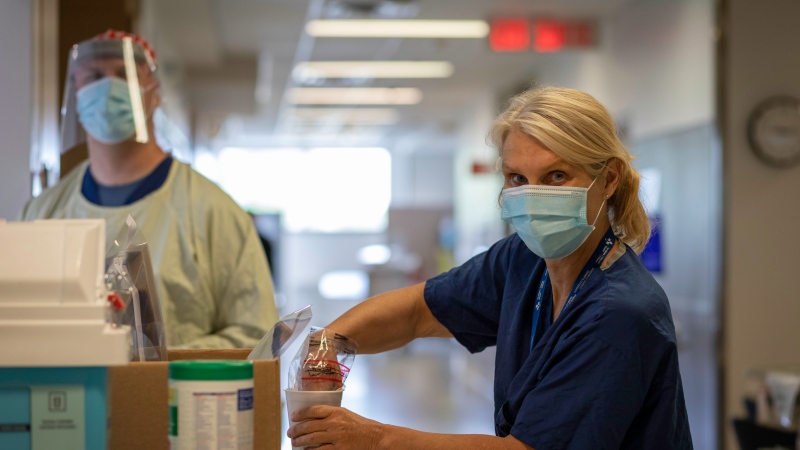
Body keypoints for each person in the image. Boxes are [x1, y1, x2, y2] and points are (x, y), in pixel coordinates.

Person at [287, 86, 693, 449]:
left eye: (556, 175)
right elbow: (419, 310)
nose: (534, 196)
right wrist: (329, 344)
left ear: (608, 179)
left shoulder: (618, 314)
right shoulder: (523, 260)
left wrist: (375, 439)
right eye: (517, 177)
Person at [20, 30, 278, 348]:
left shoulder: (212, 212)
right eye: (94, 76)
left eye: (124, 75)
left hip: (173, 397)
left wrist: (154, 369)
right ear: (76, 93)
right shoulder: (41, 213)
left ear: (154, 92)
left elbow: (257, 336)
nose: (107, 88)